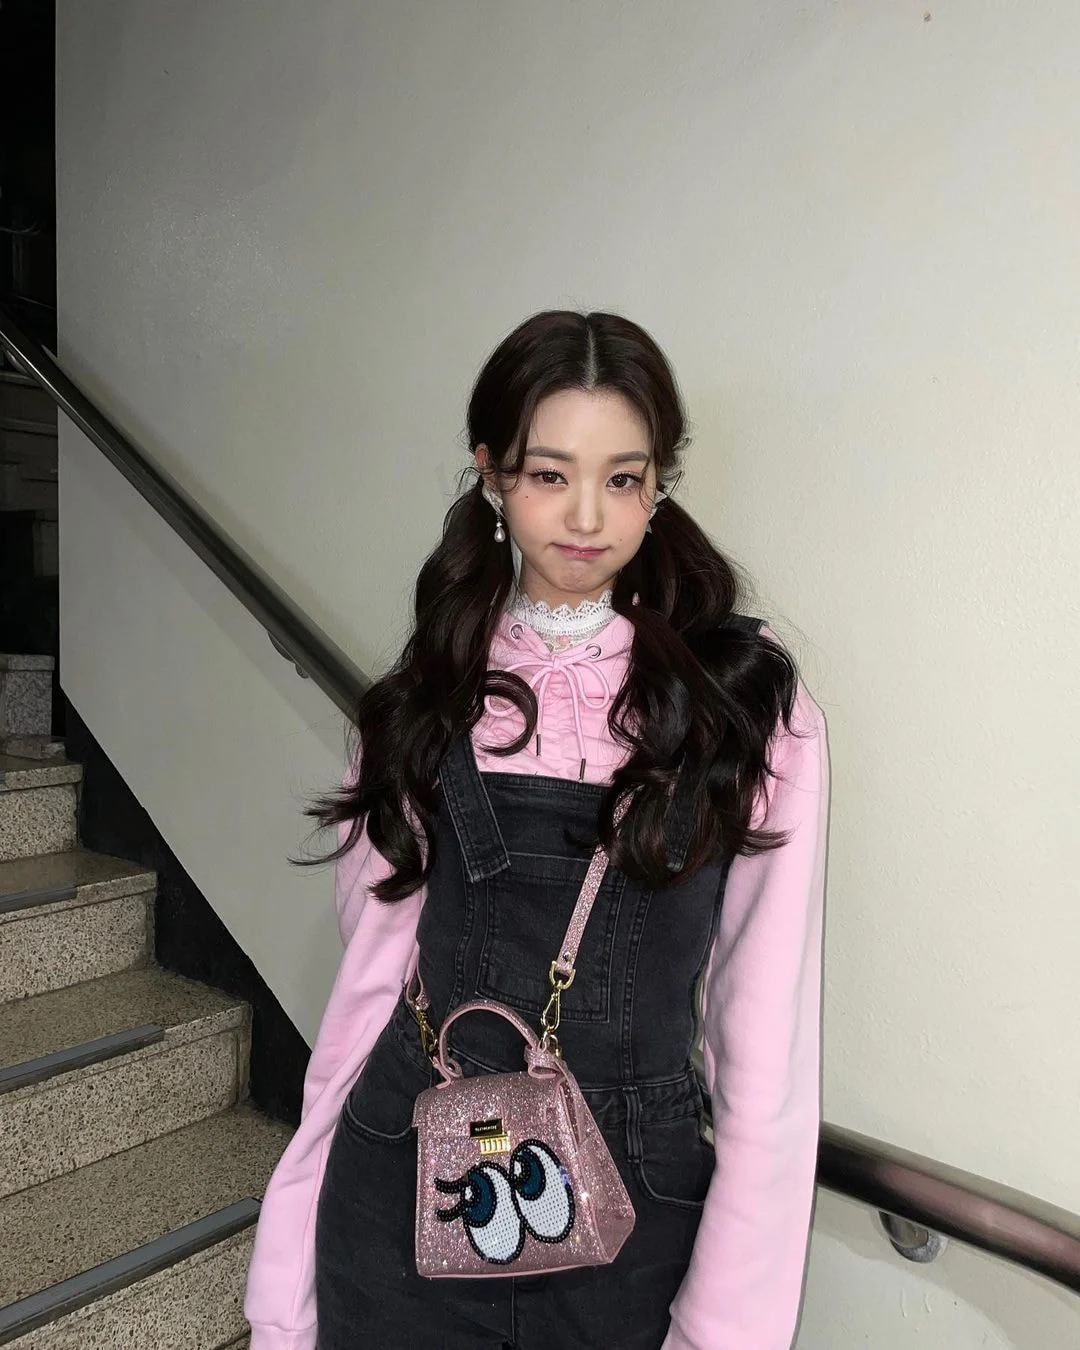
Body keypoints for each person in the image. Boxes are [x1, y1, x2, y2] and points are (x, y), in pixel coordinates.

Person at [243, 310, 830, 1350]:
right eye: (550, 474)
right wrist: (284, 1278)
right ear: (492, 474)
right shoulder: (422, 699)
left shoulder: (748, 707)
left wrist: (726, 1329)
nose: (588, 516)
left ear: (660, 484)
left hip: (635, 1216)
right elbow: (369, 991)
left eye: (624, 478)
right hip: (402, 1186)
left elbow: (766, 1045)